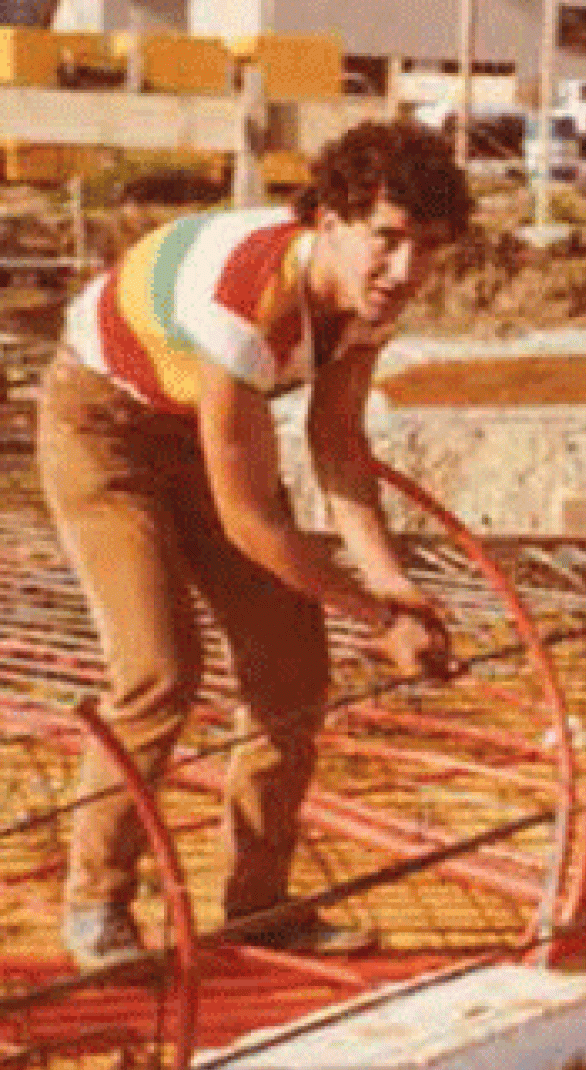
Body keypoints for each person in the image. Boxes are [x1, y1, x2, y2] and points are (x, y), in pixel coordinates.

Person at [36, 119, 472, 970]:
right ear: (330, 220)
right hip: (104, 431)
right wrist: (369, 613)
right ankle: (96, 904)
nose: (405, 269)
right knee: (159, 671)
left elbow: (340, 449)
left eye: (428, 247)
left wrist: (397, 592)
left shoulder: (366, 302)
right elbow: (249, 522)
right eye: (386, 239)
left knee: (293, 675)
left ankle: (256, 907)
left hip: (206, 432)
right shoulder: (246, 301)